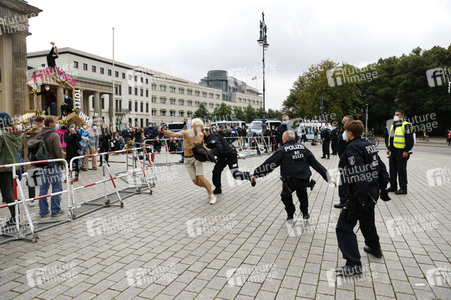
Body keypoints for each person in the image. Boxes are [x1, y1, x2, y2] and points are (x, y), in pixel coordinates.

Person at [335, 120, 390, 276]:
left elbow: (359, 174)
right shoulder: (368, 144)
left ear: (350, 133)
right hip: (372, 191)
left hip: (361, 194)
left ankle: (353, 265)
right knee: (367, 221)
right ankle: (374, 248)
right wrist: (383, 185)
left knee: (343, 227)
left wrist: (360, 199)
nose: (343, 133)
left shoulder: (353, 148)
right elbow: (381, 166)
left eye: (345, 130)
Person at [252, 130, 336, 221]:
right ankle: (305, 213)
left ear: (284, 139)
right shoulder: (303, 148)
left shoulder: (282, 150)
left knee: (285, 196)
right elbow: (315, 164)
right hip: (304, 179)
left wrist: (256, 174)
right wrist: (328, 178)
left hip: (290, 180)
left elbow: (269, 164)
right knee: (302, 193)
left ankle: (290, 215)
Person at [158, 118, 216, 204]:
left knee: (200, 177)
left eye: (200, 127)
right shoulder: (186, 132)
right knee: (195, 182)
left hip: (197, 158)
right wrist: (163, 131)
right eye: (197, 127)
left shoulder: (201, 135)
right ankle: (208, 187)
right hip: (187, 159)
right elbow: (173, 134)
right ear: (192, 126)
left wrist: (211, 152)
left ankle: (212, 195)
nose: (199, 129)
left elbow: (202, 145)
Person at [202, 126, 255, 194]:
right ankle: (218, 189)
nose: (201, 133)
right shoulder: (205, 138)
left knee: (236, 174)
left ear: (208, 132)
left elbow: (219, 149)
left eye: (203, 131)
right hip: (222, 157)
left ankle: (249, 176)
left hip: (231, 156)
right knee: (216, 172)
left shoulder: (214, 137)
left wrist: (208, 151)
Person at [38, 116, 65, 218]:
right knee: (56, 188)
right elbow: (58, 151)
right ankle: (55, 211)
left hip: (42, 165)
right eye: (55, 122)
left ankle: (43, 212)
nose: (57, 123)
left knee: (43, 189)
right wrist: (62, 163)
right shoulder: (54, 135)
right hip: (53, 165)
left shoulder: (39, 134)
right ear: (50, 124)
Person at [0, 113, 21, 227]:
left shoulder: (1, 134)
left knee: (7, 193)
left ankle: (15, 218)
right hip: (12, 165)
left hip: (3, 166)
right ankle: (16, 217)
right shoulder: (14, 132)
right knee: (11, 192)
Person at [386, 110, 414, 195]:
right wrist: (389, 148)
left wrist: (406, 150)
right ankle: (393, 186)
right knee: (392, 170)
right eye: (394, 114)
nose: (395, 116)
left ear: (402, 116)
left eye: (397, 115)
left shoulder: (406, 125)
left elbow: (409, 139)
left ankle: (403, 188)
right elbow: (391, 138)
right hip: (393, 152)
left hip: (401, 152)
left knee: (401, 171)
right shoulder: (393, 125)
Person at [18, 116, 44, 203]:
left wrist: (25, 157)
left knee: (31, 181)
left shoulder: (24, 134)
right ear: (39, 123)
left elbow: (20, 148)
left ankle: (31, 200)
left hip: (28, 160)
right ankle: (42, 201)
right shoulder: (41, 133)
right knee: (41, 181)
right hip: (39, 160)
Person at [334, 115, 354, 209]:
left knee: (343, 181)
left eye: (344, 122)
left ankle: (344, 201)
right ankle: (346, 200)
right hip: (344, 159)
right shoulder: (345, 131)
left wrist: (341, 163)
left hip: (346, 161)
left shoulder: (349, 133)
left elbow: (347, 150)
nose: (342, 124)